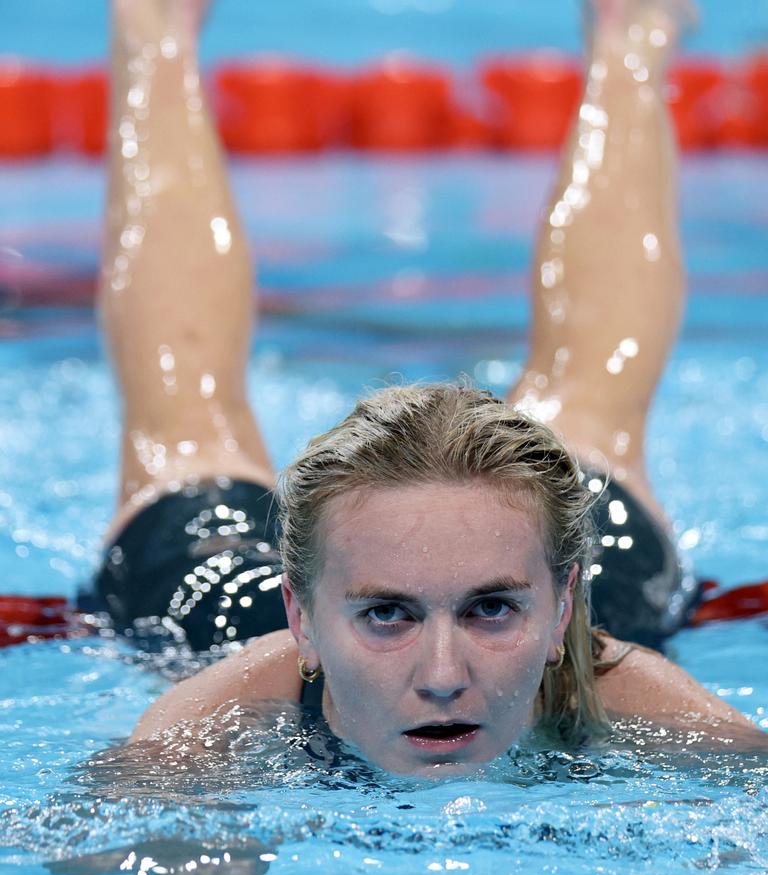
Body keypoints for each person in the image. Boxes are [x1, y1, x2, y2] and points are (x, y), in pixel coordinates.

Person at [81, 0, 767, 775]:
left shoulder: (648, 704)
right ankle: (153, 28)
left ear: (562, 605)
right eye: (386, 614)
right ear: (299, 617)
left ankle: (632, 32)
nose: (443, 678)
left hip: (545, 578)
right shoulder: (202, 724)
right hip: (222, 612)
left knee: (590, 412)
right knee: (184, 427)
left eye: (492, 608)